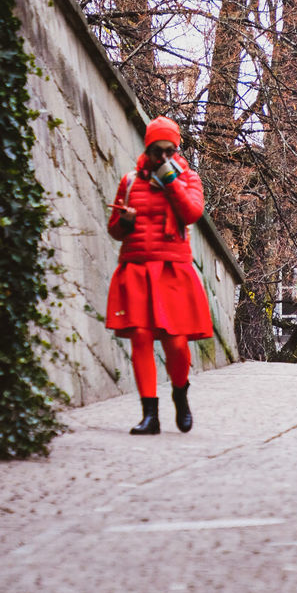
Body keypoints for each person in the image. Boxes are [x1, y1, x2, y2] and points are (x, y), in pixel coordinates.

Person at [105, 117, 214, 434]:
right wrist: (124, 222)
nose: (163, 157)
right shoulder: (129, 182)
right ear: (148, 149)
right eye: (157, 151)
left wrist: (170, 181)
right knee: (140, 337)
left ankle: (180, 393)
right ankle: (149, 415)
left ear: (177, 150)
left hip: (172, 270)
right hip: (137, 267)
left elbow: (192, 213)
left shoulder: (188, 178)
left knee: (176, 343)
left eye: (170, 151)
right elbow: (113, 229)